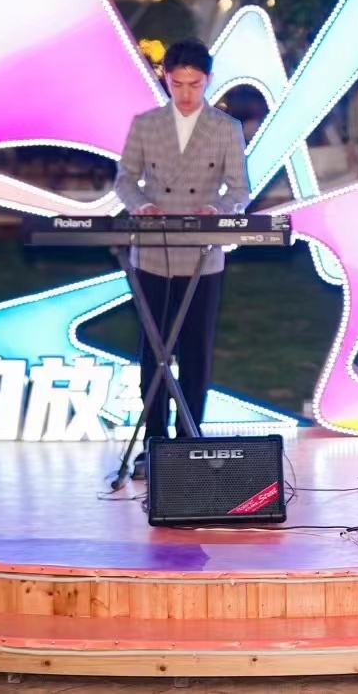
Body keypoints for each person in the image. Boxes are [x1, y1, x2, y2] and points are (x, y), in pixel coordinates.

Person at [114, 38, 250, 476]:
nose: (187, 94)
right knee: (153, 350)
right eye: (178, 85)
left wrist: (218, 210)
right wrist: (141, 206)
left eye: (195, 84)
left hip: (202, 254)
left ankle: (190, 438)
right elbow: (124, 179)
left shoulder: (226, 127)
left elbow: (240, 189)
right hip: (152, 251)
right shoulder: (145, 124)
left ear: (207, 80)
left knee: (195, 351)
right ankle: (153, 443)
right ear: (166, 80)